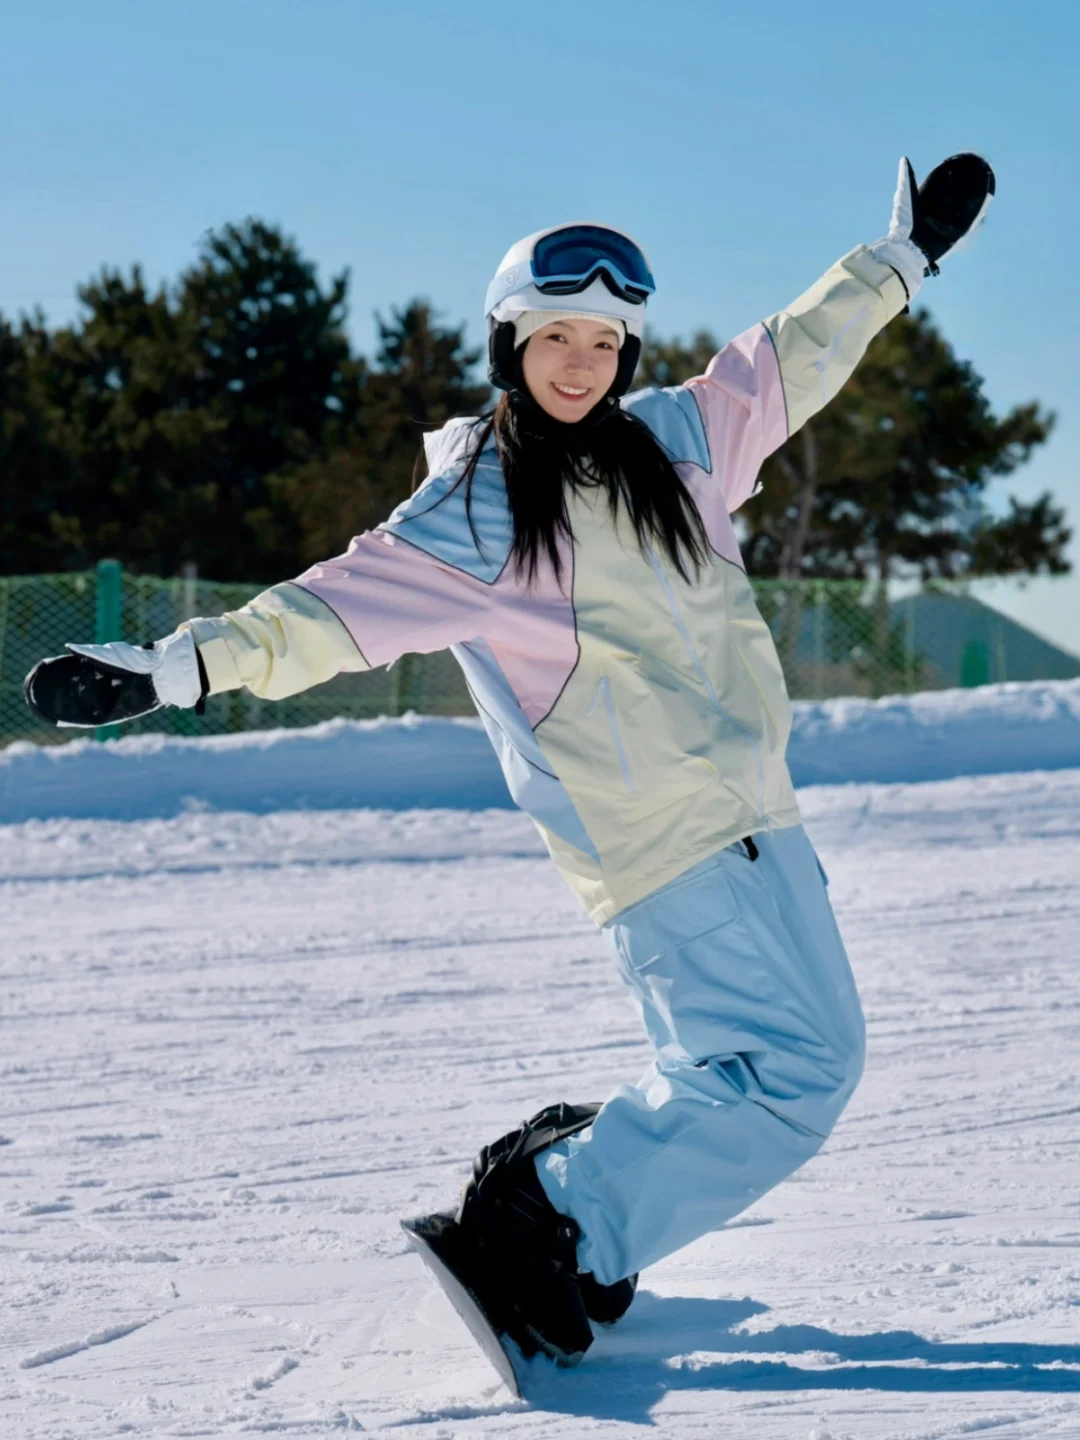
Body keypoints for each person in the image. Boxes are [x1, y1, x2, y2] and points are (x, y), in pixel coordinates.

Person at [26, 154, 995, 1368]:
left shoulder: (682, 445)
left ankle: (579, 1215)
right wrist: (174, 670)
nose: (580, 362)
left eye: (603, 339)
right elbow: (327, 614)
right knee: (801, 1071)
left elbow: (790, 355)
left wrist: (901, 260)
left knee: (747, 1065)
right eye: (554, 337)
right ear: (508, 342)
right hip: (663, 842)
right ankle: (551, 1214)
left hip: (753, 816)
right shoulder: (478, 508)